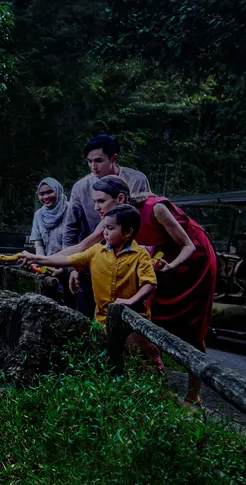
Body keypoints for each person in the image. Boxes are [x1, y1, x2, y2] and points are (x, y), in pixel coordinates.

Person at [38, 174, 219, 407]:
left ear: (120, 198)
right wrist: (42, 260)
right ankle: (150, 383)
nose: (96, 207)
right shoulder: (111, 219)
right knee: (148, 321)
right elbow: (84, 247)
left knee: (193, 329)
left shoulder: (156, 209)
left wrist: (172, 267)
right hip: (159, 262)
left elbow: (189, 245)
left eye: (101, 201)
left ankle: (193, 396)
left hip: (192, 261)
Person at [23, 204, 163, 371]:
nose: (105, 232)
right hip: (102, 321)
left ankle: (159, 391)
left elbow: (150, 283)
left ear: (127, 232)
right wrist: (36, 258)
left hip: (134, 321)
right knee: (108, 362)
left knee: (144, 362)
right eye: (104, 227)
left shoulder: (140, 254)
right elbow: (68, 260)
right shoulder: (96, 251)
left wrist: (131, 301)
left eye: (110, 228)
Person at [61, 135, 151, 318]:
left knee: (131, 320)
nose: (94, 167)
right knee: (89, 319)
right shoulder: (80, 188)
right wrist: (74, 269)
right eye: (89, 161)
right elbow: (70, 231)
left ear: (114, 158)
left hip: (129, 264)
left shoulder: (136, 181)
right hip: (93, 262)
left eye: (99, 161)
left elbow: (147, 218)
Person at [27, 177, 68, 256]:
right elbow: (39, 244)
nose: (45, 197)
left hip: (71, 263)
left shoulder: (71, 210)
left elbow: (77, 243)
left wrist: (64, 266)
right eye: (41, 194)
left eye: (49, 192)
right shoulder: (39, 215)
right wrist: (41, 263)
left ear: (58, 191)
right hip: (48, 263)